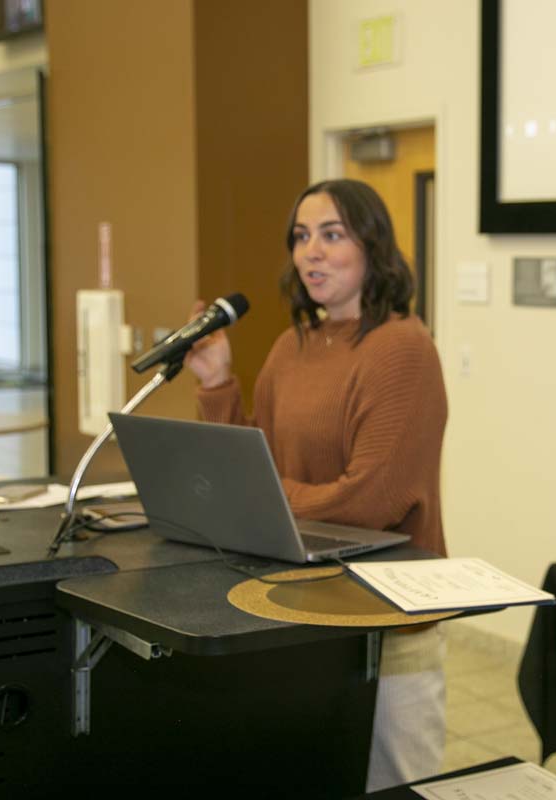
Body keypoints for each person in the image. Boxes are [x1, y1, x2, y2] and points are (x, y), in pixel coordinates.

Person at [186, 178, 448, 792]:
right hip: (302, 607)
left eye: (332, 235)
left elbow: (368, 502)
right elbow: (251, 463)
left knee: (397, 787)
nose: (312, 253)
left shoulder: (402, 348)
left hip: (387, 622)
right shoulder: (292, 344)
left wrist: (260, 496)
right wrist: (218, 383)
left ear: (372, 248)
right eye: (302, 237)